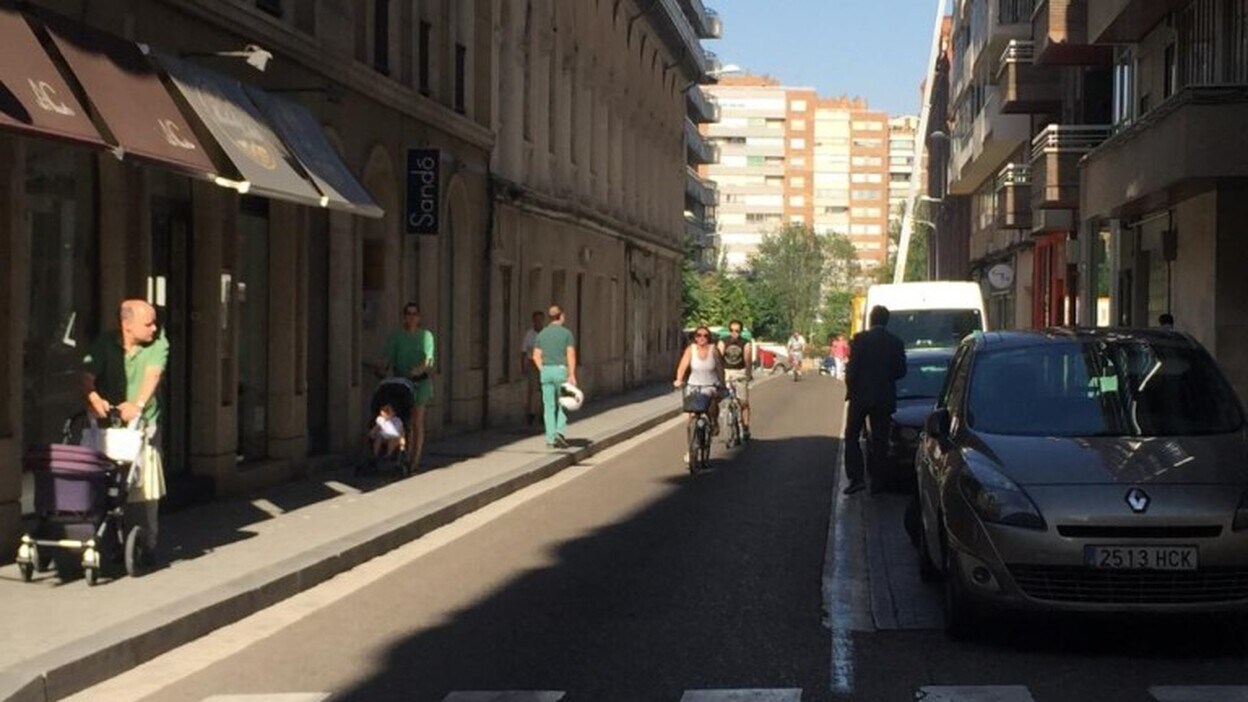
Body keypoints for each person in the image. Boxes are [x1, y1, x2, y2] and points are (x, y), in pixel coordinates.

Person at [82, 299, 169, 556]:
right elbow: (87, 375)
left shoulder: (158, 344)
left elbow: (153, 375)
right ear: (127, 325)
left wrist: (138, 405)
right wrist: (94, 398)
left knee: (143, 485)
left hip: (144, 425)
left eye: (154, 322)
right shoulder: (104, 344)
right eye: (148, 323)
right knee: (106, 481)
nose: (154, 328)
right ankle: (106, 537)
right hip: (109, 425)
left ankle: (147, 542)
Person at [843, 305, 907, 495]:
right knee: (880, 442)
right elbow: (901, 371)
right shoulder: (895, 342)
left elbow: (851, 369)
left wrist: (851, 389)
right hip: (883, 397)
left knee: (852, 437)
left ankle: (857, 479)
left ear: (871, 320)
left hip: (860, 397)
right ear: (886, 321)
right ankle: (878, 484)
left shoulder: (860, 340)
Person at [381, 302, 435, 472]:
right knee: (404, 422)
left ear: (419, 317)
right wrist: (383, 368)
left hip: (420, 383)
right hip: (401, 383)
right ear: (404, 317)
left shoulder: (426, 336)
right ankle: (402, 455)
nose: (411, 317)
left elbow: (429, 360)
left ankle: (415, 460)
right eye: (408, 314)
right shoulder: (397, 336)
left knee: (417, 421)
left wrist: (417, 370)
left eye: (414, 314)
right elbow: (388, 358)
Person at [674, 325, 726, 463]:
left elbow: (720, 369)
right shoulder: (690, 350)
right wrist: (679, 380)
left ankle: (713, 421)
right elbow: (682, 366)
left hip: (710, 385)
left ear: (709, 338)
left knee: (711, 404)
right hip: (694, 385)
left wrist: (722, 384)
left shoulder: (713, 350)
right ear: (695, 337)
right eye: (698, 335)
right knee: (691, 417)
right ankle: (691, 449)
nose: (702, 338)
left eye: (705, 336)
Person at [532, 304, 577, 449]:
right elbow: (570, 354)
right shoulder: (566, 334)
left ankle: (550, 439)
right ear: (561, 316)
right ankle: (560, 432)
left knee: (548, 406)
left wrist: (542, 369)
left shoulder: (542, 334)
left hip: (546, 372)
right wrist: (571, 374)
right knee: (564, 403)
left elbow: (535, 356)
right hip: (561, 371)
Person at [717, 320, 753, 441]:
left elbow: (747, 359)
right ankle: (718, 422)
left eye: (737, 331)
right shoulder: (723, 342)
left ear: (740, 332)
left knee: (743, 402)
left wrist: (748, 374)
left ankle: (746, 427)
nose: (734, 333)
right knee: (717, 399)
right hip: (726, 372)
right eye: (732, 330)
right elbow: (718, 357)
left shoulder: (745, 343)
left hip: (739, 372)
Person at [520, 310, 546, 426]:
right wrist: (523, 366)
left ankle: (543, 414)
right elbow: (524, 351)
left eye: (540, 320)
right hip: (532, 363)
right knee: (532, 389)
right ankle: (530, 414)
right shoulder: (529, 334)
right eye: (536, 320)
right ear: (533, 321)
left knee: (544, 389)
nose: (538, 322)